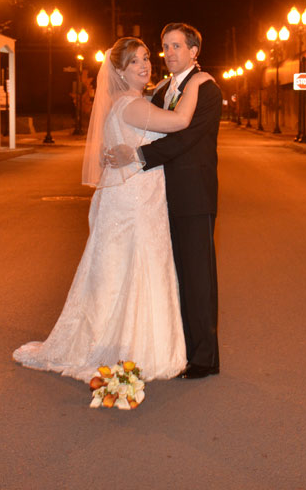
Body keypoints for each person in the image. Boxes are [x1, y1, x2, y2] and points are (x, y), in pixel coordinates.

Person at [12, 37, 212, 382]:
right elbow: (179, 122)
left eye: (147, 58)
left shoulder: (131, 102)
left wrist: (173, 81)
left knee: (121, 271)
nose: (145, 65)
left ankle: (121, 336)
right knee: (136, 269)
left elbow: (127, 133)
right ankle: (135, 343)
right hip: (135, 202)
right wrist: (198, 80)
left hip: (134, 198)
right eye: (135, 62)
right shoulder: (131, 106)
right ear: (120, 71)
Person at [109, 23, 222, 380]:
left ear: (194, 51)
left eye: (177, 46)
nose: (170, 53)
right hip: (159, 198)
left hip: (193, 196)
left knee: (197, 277)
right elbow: (146, 122)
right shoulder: (162, 90)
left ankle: (204, 358)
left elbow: (183, 138)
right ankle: (178, 350)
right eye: (165, 46)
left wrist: (137, 155)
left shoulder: (206, 89)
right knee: (173, 278)